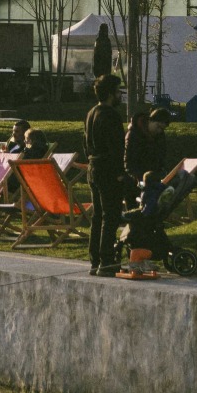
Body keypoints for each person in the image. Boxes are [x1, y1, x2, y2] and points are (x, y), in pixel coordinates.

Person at [82, 74, 127, 276]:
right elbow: (117, 147)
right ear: (111, 93)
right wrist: (119, 173)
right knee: (111, 216)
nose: (120, 95)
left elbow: (86, 144)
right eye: (118, 91)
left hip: (93, 167)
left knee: (97, 215)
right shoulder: (110, 115)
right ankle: (107, 261)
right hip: (108, 169)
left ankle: (95, 260)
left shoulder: (91, 113)